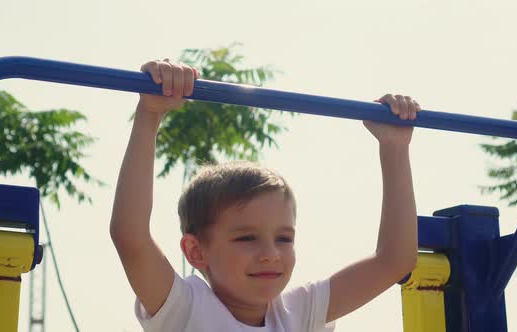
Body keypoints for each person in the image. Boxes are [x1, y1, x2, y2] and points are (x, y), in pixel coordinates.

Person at [110, 58, 420, 331]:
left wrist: (394, 148)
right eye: (247, 238)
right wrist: (150, 114)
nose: (271, 253)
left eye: (285, 238)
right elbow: (130, 235)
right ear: (195, 251)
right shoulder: (186, 310)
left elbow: (394, 262)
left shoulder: (297, 314)